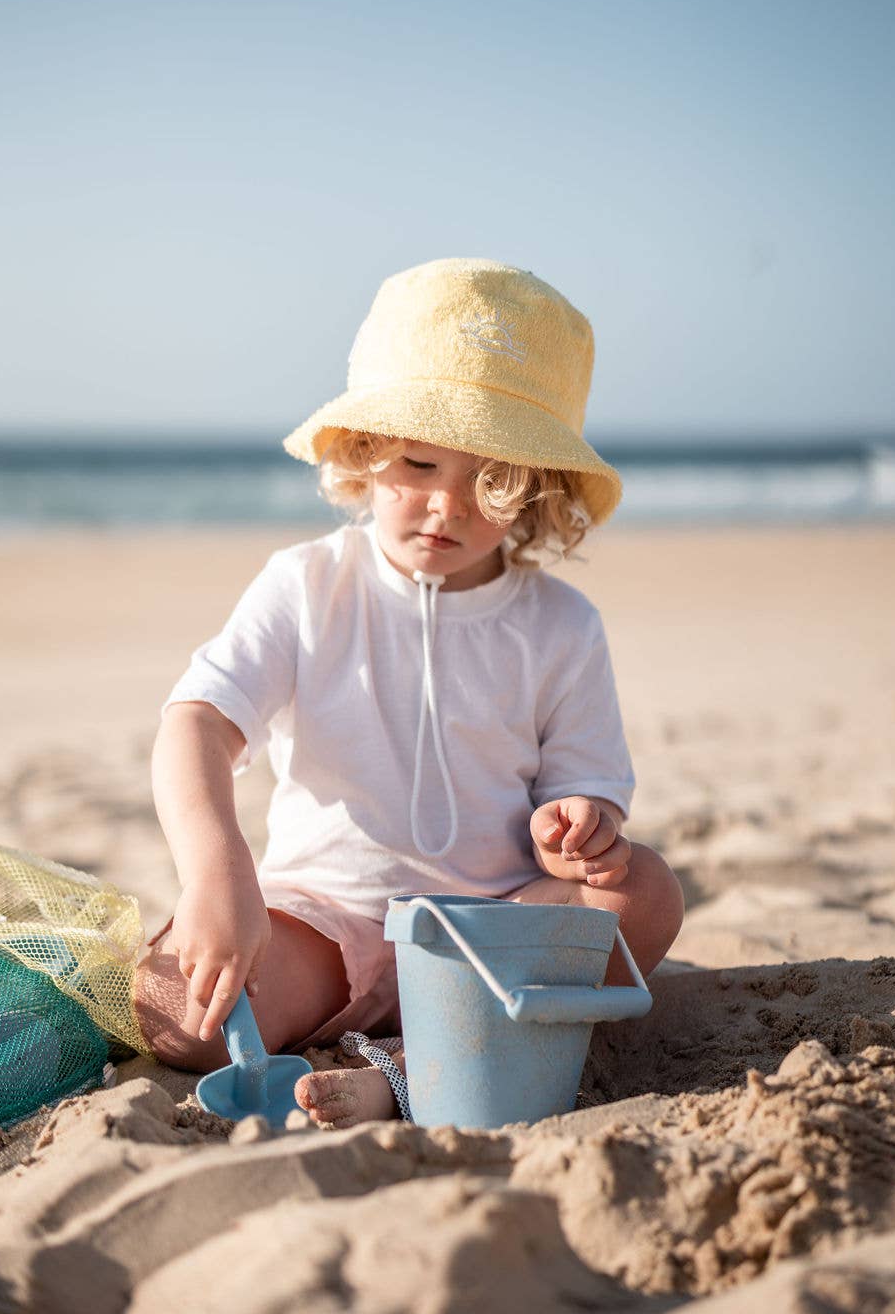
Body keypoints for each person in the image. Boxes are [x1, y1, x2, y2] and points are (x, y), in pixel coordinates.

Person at [135, 256, 684, 1126]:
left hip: (495, 930)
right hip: (324, 928)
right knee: (171, 1007)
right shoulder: (308, 585)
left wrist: (579, 828)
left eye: (489, 482)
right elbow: (196, 725)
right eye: (420, 464)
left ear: (534, 488)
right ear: (362, 454)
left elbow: (588, 789)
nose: (445, 508)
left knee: (643, 893)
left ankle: (400, 1070)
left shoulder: (561, 625)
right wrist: (215, 875)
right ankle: (435, 1052)